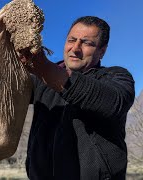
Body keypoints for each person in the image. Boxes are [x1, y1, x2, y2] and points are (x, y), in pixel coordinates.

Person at [22, 16, 135, 180]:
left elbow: (115, 103)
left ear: (102, 51)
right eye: (71, 40)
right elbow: (0, 92)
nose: (75, 48)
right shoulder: (39, 81)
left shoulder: (116, 76)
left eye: (87, 43)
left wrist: (45, 68)